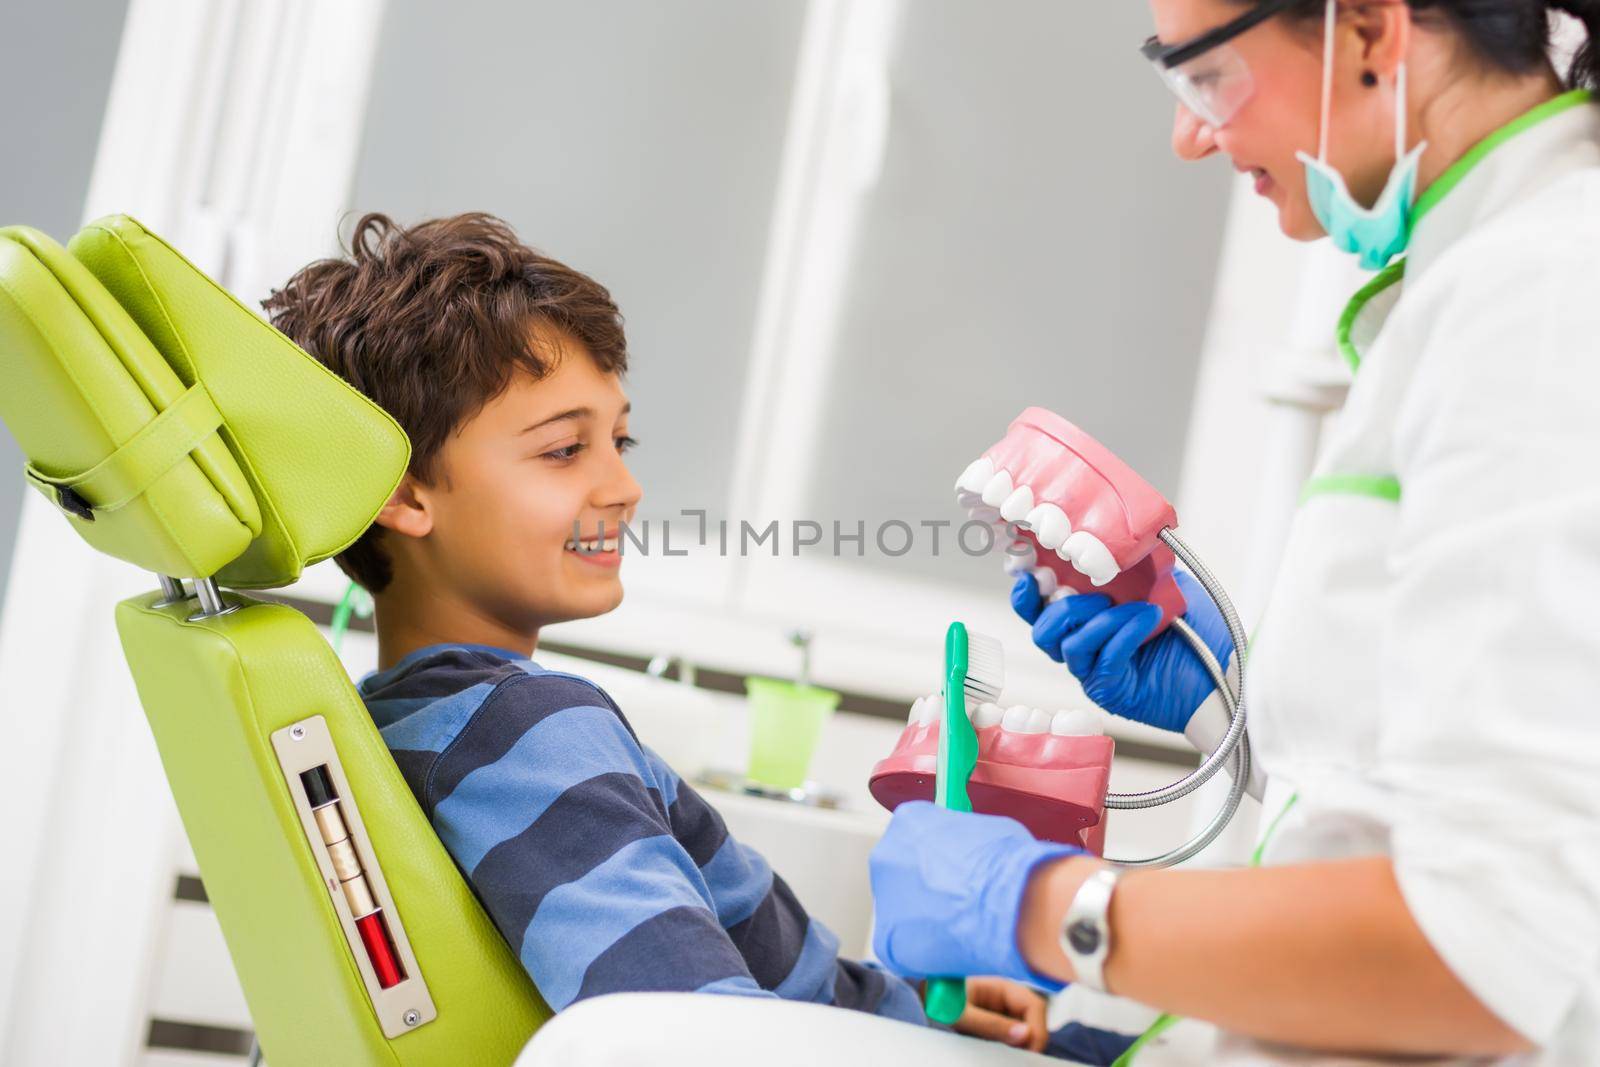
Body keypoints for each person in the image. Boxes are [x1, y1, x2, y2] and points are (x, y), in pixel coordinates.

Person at [870, 1, 1600, 1063]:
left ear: (1369, 34)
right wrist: (1231, 705)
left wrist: (1044, 906)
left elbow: (1489, 943)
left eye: (1205, 77)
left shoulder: (1542, 299)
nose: (1189, 135)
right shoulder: (1477, 281)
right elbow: (1421, 796)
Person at [262, 212, 1068, 1054]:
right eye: (565, 448)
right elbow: (688, 1040)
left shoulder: (396, 722)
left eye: (620, 438)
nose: (625, 485)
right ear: (403, 491)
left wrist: (895, 1006)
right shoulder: (527, 730)